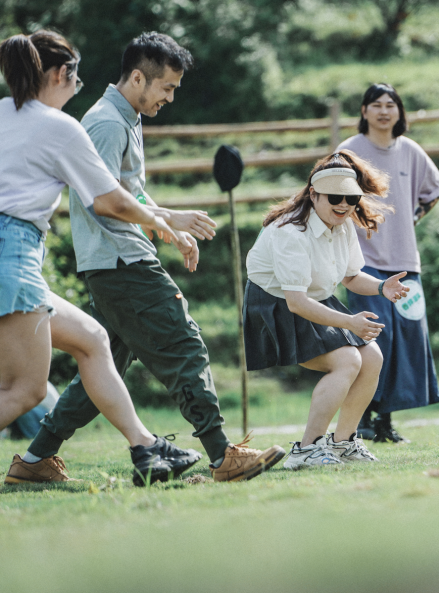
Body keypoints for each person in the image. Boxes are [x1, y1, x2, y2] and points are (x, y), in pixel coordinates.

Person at [11, 32, 285, 485]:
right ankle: (222, 456)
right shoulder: (105, 123)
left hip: (117, 261)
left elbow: (128, 193)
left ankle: (35, 460)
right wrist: (167, 222)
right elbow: (102, 201)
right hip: (121, 262)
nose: (170, 98)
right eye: (166, 87)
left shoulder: (127, 118)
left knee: (102, 368)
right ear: (138, 78)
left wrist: (168, 225)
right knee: (183, 344)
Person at [0, 30, 201, 486]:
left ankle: (145, 447)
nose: (78, 88)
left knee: (92, 339)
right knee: (25, 390)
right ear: (59, 74)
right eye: (76, 79)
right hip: (13, 255)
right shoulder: (59, 126)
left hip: (15, 259)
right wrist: (164, 225)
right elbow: (109, 200)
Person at [244, 151, 410, 469]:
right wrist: (350, 322)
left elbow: (351, 277)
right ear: (313, 194)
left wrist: (381, 287)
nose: (344, 204)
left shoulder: (342, 226)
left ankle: (343, 443)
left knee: (372, 357)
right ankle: (306, 450)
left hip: (315, 301)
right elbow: (296, 302)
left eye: (351, 198)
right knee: (347, 361)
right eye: (335, 197)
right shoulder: (289, 232)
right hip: (276, 304)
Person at [337, 83, 439, 443]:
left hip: (405, 262)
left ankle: (385, 420)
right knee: (372, 336)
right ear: (364, 111)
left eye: (391, 105)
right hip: (362, 263)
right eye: (376, 105)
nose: (384, 111)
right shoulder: (349, 151)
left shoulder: (410, 151)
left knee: (405, 341)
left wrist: (413, 218)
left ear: (399, 112)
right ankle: (362, 419)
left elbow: (433, 191)